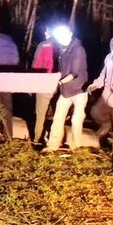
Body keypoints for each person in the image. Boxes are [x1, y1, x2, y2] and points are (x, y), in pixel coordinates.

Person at [42, 24, 88, 153]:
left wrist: (59, 82)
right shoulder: (62, 50)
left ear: (70, 34)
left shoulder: (78, 49)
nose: (61, 38)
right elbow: (62, 70)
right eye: (59, 36)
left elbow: (74, 73)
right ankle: (52, 145)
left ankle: (75, 147)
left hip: (79, 90)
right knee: (58, 117)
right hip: (65, 91)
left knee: (76, 120)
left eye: (63, 35)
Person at [30, 25, 57, 144]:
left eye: (46, 31)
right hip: (58, 83)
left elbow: (36, 64)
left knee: (41, 113)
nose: (45, 33)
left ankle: (37, 138)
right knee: (55, 112)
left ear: (48, 33)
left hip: (44, 82)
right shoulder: (63, 46)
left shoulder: (43, 45)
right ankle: (52, 137)